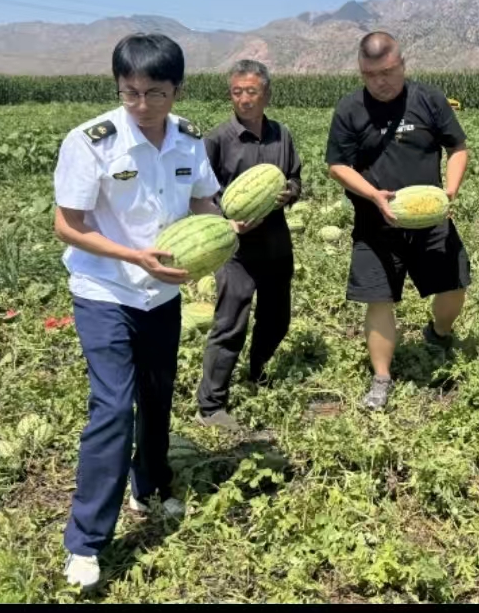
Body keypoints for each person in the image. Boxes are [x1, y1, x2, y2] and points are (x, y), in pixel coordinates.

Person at [52, 33, 239, 590]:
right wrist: (135, 255)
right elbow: (68, 225)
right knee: (113, 407)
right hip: (105, 290)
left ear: (177, 90)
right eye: (129, 92)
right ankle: (85, 541)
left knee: (157, 398)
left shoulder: (187, 140)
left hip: (162, 293)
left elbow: (204, 200)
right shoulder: (91, 142)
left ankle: (149, 487)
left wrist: (223, 224)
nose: (141, 105)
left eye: (155, 93)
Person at [325, 31, 471, 410]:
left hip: (430, 219)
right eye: (370, 74)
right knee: (379, 301)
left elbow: (457, 147)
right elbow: (337, 165)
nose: (381, 81)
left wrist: (449, 193)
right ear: (361, 71)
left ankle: (438, 333)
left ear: (402, 64)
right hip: (375, 225)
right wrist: (374, 196)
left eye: (388, 71)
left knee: (455, 287)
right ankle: (381, 378)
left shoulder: (429, 100)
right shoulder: (349, 109)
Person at [195, 60, 302, 431]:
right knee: (230, 323)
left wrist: (290, 191)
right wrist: (226, 217)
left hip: (275, 242)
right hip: (235, 249)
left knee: (276, 318)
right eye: (237, 92)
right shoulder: (216, 140)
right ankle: (211, 405)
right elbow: (202, 191)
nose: (243, 99)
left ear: (266, 94)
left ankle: (258, 372)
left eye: (251, 91)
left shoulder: (281, 135)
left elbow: (295, 179)